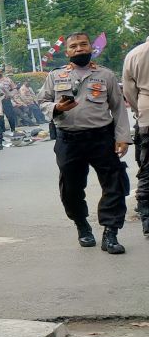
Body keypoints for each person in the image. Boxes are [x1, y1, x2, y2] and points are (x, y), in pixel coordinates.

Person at [38, 32, 131, 254]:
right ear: (67, 51)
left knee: (114, 184)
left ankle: (111, 232)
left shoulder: (106, 75)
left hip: (101, 138)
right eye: (74, 46)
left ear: (91, 48)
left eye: (83, 44)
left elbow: (118, 108)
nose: (79, 49)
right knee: (70, 189)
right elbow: (42, 101)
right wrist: (57, 108)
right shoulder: (55, 76)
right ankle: (82, 225)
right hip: (69, 140)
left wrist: (122, 137)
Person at [123, 34, 149, 238]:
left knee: (147, 169)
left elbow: (130, 93)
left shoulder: (135, 54)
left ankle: (147, 217)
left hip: (147, 115)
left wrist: (138, 111)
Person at [0, 68, 21, 139]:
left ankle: (13, 130)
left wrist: (11, 94)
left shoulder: (8, 80)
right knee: (0, 117)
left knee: (10, 116)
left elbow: (14, 88)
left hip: (6, 100)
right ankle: (2, 133)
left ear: (2, 72)